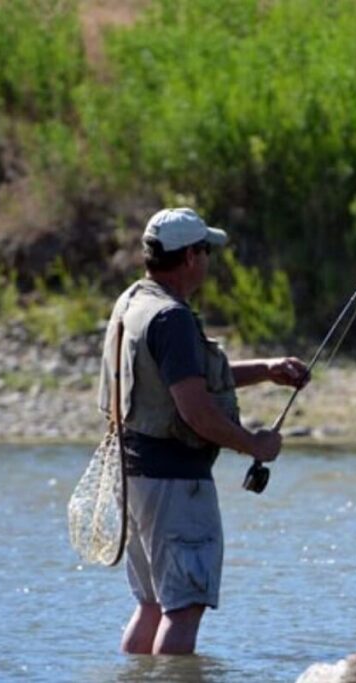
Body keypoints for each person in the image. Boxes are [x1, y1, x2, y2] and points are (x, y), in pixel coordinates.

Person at [97, 207, 309, 655]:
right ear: (191, 256)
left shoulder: (133, 302)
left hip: (132, 477)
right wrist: (254, 444)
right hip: (174, 485)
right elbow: (194, 410)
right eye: (206, 251)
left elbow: (181, 380)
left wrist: (266, 371)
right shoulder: (171, 318)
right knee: (183, 608)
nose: (210, 260)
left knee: (153, 605)